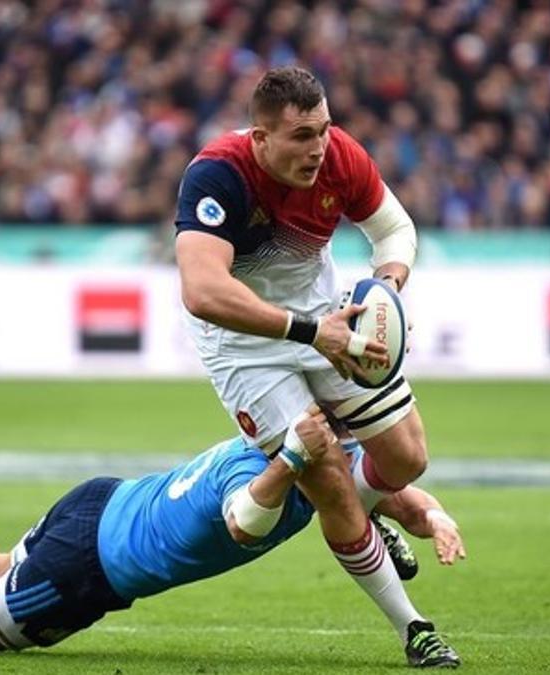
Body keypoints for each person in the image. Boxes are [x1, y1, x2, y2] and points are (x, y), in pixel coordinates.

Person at [0, 408, 466, 668]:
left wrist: (429, 516)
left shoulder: (304, 454)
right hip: (89, 568)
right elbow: (246, 518)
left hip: (99, 499)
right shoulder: (286, 476)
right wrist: (296, 460)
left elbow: (386, 490)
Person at [174, 65, 435, 632]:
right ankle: (414, 628)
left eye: (323, 130)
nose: (319, 147)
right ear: (260, 138)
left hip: (328, 322)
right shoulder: (219, 175)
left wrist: (386, 290)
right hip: (244, 347)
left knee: (408, 456)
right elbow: (202, 291)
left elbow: (394, 231)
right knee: (327, 479)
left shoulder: (340, 154)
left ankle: (364, 513)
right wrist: (314, 332)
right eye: (301, 136)